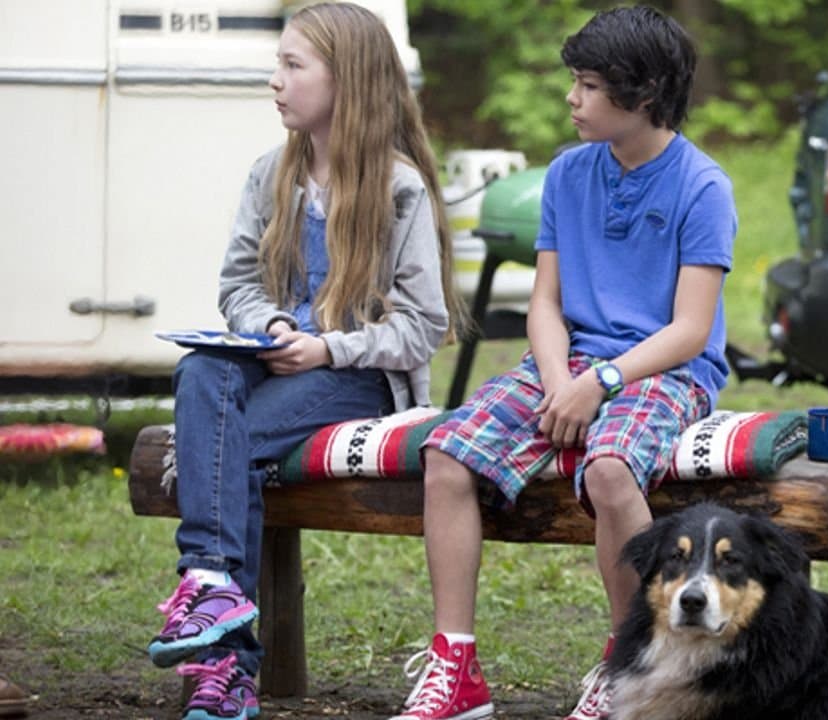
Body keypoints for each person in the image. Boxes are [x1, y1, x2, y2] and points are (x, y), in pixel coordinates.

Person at [391, 6, 736, 720]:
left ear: (641, 96)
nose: (571, 99)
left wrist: (600, 382)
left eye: (587, 85)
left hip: (665, 370)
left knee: (609, 467)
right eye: (573, 82)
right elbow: (545, 304)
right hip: (569, 361)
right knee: (448, 454)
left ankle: (629, 665)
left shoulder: (703, 187)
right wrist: (560, 383)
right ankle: (456, 668)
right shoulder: (568, 175)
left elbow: (691, 330)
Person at [146, 4, 465, 719]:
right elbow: (239, 284)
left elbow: (421, 327)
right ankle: (215, 591)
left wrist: (330, 347)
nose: (275, 81)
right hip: (279, 363)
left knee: (222, 449)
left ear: (345, 81)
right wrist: (273, 326)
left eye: (294, 66)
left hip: (358, 381)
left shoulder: (398, 186)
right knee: (202, 370)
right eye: (278, 64)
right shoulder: (273, 174)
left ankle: (221, 651)